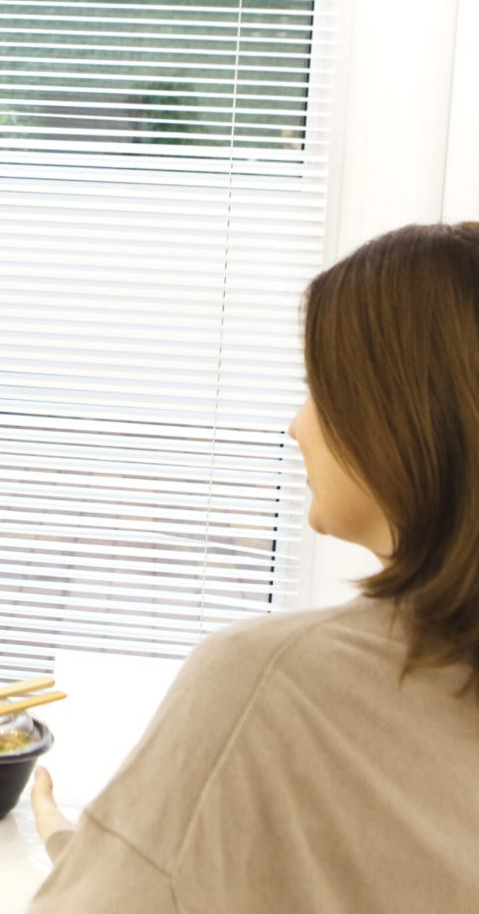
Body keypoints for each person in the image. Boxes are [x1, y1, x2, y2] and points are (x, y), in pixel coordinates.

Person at [28, 222, 479, 912]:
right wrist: (109, 846)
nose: (297, 425)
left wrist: (105, 858)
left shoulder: (270, 682)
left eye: (318, 388)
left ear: (403, 414)